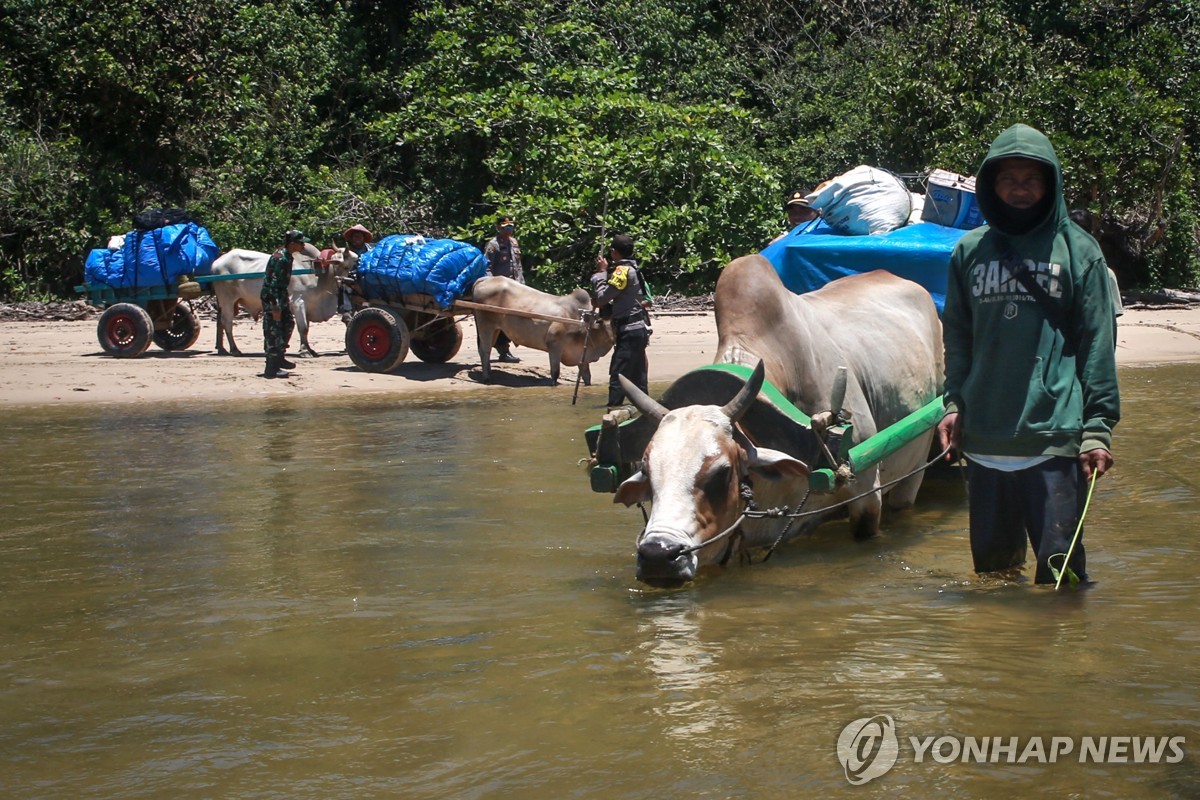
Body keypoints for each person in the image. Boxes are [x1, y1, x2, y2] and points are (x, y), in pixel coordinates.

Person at [936, 123, 1120, 586]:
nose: (1020, 188)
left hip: (1053, 434)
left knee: (1063, 579)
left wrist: (1097, 430)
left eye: (1031, 179)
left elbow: (1099, 342)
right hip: (985, 439)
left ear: (1050, 183)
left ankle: (1063, 658)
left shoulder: (1080, 251)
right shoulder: (969, 250)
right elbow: (958, 335)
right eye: (1008, 179)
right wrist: (954, 404)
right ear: (991, 186)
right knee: (994, 578)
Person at [593, 233, 650, 409]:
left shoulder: (622, 271)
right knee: (638, 377)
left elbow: (602, 298)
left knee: (618, 376)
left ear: (614, 252)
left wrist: (601, 273)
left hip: (629, 331)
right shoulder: (635, 269)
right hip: (638, 329)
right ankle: (644, 413)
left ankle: (613, 411)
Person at [261, 229, 311, 379]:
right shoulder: (281, 258)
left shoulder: (287, 256)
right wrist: (275, 305)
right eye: (301, 243)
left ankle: (279, 357)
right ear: (293, 243)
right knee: (274, 329)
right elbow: (273, 283)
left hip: (280, 294)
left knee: (288, 323)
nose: (303, 246)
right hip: (272, 296)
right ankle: (271, 367)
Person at [483, 215, 524, 363]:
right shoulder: (493, 246)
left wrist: (522, 285)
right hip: (500, 292)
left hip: (515, 289)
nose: (509, 230)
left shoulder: (514, 243)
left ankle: (505, 349)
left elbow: (518, 266)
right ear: (499, 228)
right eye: (506, 227)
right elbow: (487, 268)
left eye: (511, 227)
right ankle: (503, 350)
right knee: (500, 321)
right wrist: (492, 287)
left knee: (513, 319)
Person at [338, 224, 374, 322]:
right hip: (350, 280)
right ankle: (346, 312)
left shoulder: (372, 250)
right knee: (343, 286)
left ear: (364, 238)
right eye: (355, 237)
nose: (357, 239)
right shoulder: (345, 252)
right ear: (351, 238)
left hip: (368, 279)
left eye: (359, 236)